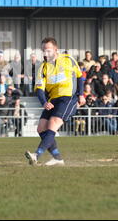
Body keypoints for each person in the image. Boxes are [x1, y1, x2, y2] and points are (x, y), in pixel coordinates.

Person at [25, 37, 84, 166]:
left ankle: (36, 155)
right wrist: (44, 102)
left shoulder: (68, 59)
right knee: (41, 128)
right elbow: (39, 88)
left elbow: (79, 77)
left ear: (56, 49)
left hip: (68, 97)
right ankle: (58, 159)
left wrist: (81, 95)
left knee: (53, 123)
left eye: (48, 50)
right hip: (53, 99)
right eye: (43, 51)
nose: (46, 53)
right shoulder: (43, 67)